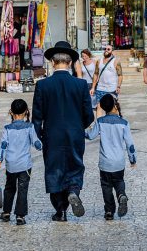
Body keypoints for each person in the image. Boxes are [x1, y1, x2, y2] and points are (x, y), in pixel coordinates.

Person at [32, 41, 95, 222]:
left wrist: (37, 136)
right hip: (75, 134)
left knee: (54, 170)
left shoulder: (43, 85)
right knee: (75, 165)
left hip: (52, 135)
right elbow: (89, 115)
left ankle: (60, 210)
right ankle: (73, 191)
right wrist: (77, 126)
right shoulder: (81, 84)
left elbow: (37, 116)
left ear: (52, 62)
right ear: (70, 63)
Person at [85, 94, 137, 220]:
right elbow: (130, 144)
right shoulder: (124, 123)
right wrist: (132, 159)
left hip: (105, 163)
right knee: (119, 181)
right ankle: (121, 195)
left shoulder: (100, 122)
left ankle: (109, 211)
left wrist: (81, 130)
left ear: (103, 108)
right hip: (118, 162)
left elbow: (91, 136)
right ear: (115, 105)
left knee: (106, 187)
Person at [0, 99, 42, 226]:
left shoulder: (7, 128)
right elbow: (36, 142)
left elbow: (3, 145)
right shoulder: (30, 127)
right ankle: (20, 215)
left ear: (11, 112)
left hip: (11, 164)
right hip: (25, 165)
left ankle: (6, 212)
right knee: (22, 189)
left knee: (9, 188)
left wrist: (0, 159)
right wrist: (41, 145)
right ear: (27, 111)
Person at [90, 45, 123, 118]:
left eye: (108, 49)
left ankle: (113, 122)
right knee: (99, 106)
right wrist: (93, 87)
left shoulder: (116, 61)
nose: (106, 50)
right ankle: (99, 124)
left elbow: (120, 75)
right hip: (100, 88)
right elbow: (96, 74)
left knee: (112, 107)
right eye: (105, 49)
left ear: (112, 51)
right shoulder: (99, 61)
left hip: (112, 88)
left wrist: (118, 86)